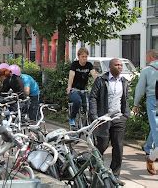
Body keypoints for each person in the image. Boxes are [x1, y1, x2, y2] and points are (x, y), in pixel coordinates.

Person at [89, 58, 130, 186]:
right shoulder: (101, 80)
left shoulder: (123, 81)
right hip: (103, 118)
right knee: (102, 145)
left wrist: (125, 115)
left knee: (118, 147)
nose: (120, 67)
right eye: (117, 65)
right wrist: (95, 116)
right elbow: (93, 97)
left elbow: (126, 99)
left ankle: (114, 175)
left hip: (118, 118)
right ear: (111, 67)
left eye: (121, 65)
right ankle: (94, 170)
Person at [133, 49, 158, 175]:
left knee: (155, 126)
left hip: (153, 100)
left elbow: (140, 89)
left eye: (146, 57)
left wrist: (136, 104)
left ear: (150, 57)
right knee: (155, 126)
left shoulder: (147, 70)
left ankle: (151, 154)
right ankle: (148, 148)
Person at [67, 47, 97, 128]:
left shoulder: (89, 65)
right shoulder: (75, 64)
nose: (84, 58)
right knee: (78, 101)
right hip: (74, 90)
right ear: (78, 56)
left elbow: (94, 76)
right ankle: (72, 118)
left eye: (86, 56)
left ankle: (86, 122)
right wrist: (69, 87)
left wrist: (99, 84)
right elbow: (71, 76)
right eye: (82, 56)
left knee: (88, 106)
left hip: (84, 90)